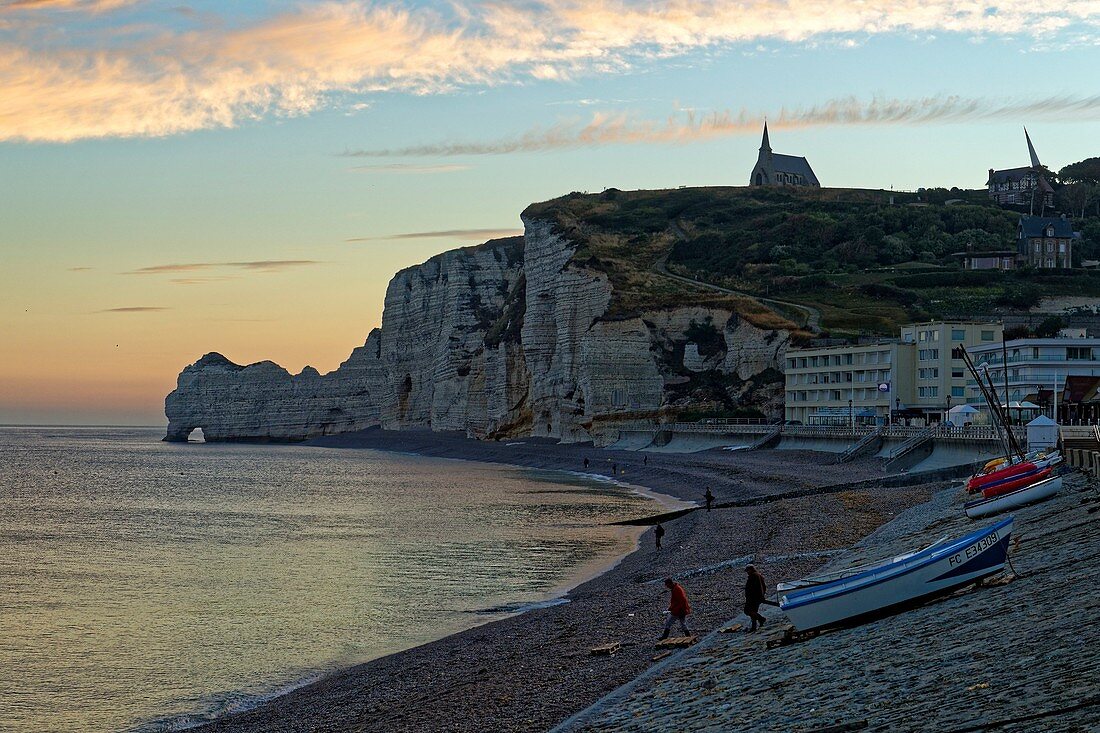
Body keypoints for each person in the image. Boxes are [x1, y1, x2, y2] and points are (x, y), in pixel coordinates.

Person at [744, 565, 767, 631]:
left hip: (754, 598)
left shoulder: (754, 576)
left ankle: (761, 619)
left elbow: (757, 588)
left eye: (748, 571)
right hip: (755, 597)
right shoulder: (757, 575)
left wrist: (756, 597)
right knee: (753, 611)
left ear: (751, 570)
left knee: (748, 611)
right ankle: (754, 626)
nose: (747, 572)